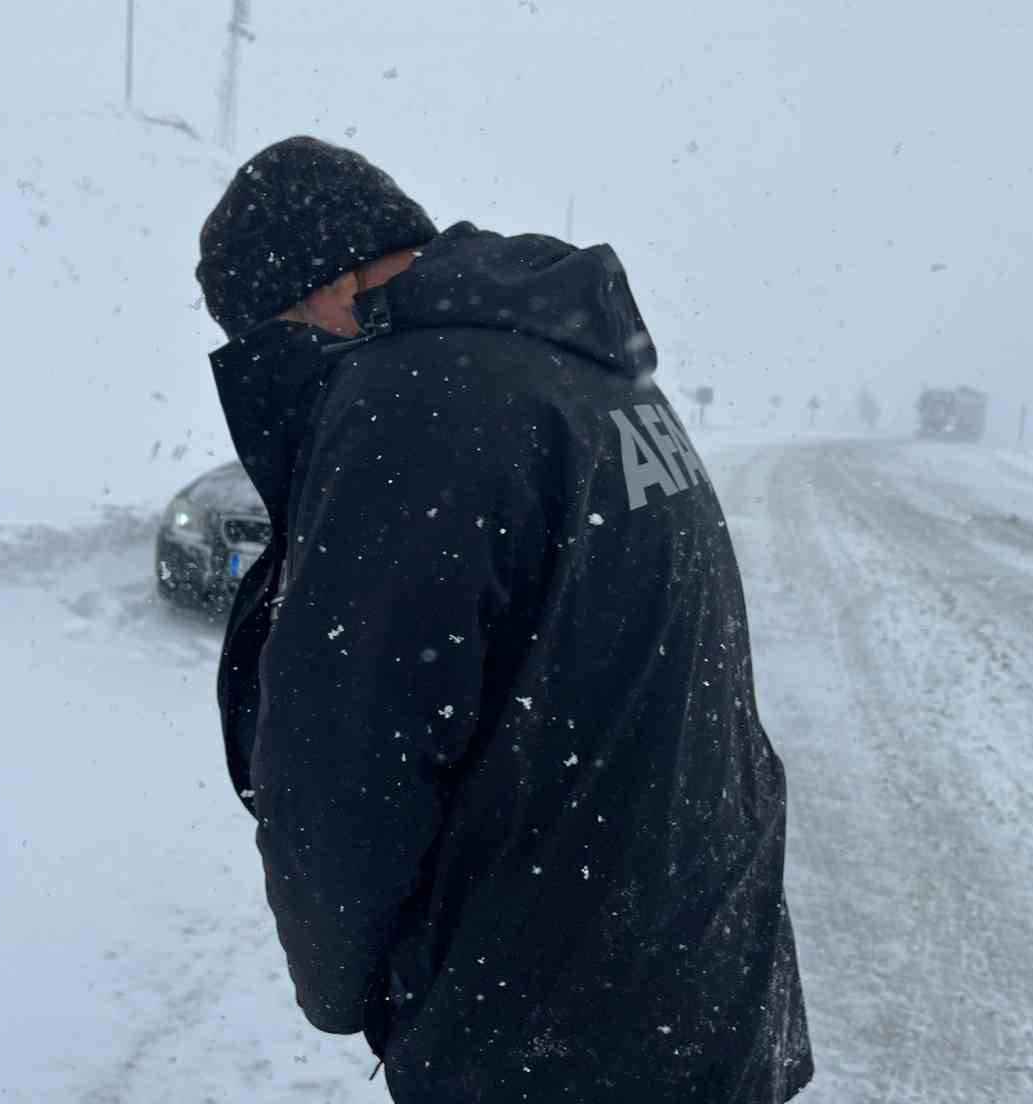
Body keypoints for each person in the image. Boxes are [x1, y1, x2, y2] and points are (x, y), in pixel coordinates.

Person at [197, 136, 813, 1103]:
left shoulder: (413, 395)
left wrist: (338, 978)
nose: (282, 363)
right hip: (701, 979)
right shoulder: (590, 373)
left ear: (333, 282)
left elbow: (345, 757)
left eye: (271, 329)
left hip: (549, 1028)